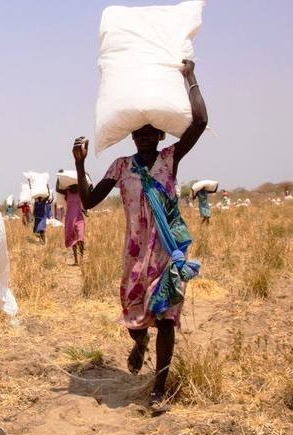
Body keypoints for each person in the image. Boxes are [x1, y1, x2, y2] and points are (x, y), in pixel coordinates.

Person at [72, 59, 207, 413]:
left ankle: (159, 388)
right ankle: (138, 341)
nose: (145, 136)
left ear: (161, 134)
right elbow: (88, 200)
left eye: (151, 131)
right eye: (139, 132)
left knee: (165, 318)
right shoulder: (120, 166)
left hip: (166, 253)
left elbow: (201, 122)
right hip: (135, 255)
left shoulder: (170, 159)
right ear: (132, 136)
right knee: (134, 316)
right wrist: (80, 163)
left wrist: (190, 76)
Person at [56, 175, 88, 265]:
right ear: (69, 186)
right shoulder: (67, 192)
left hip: (79, 217)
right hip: (70, 218)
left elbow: (89, 187)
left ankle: (81, 258)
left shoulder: (80, 192)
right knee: (73, 239)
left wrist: (86, 176)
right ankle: (76, 260)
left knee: (80, 237)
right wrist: (58, 177)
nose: (74, 187)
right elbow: (58, 189)